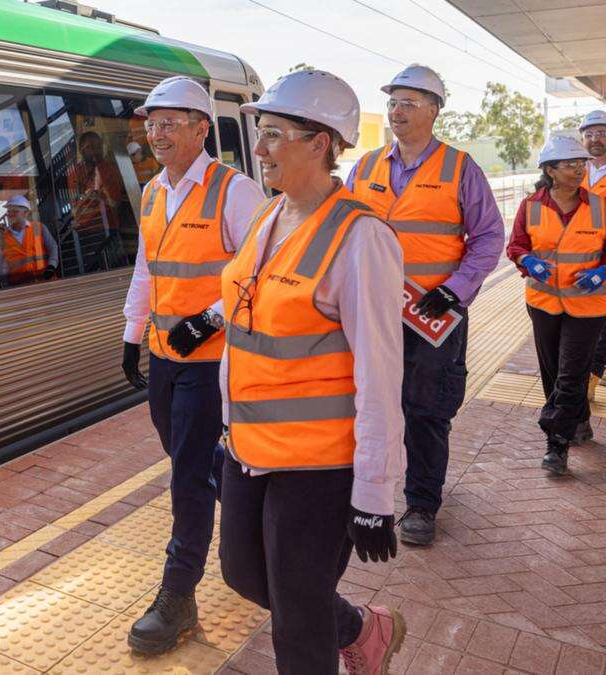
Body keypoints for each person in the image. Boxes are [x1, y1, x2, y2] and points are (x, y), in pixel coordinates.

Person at [220, 69, 406, 674]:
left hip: (320, 466)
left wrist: (376, 494)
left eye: (273, 133)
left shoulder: (361, 239)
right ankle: (359, 627)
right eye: (261, 133)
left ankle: (342, 639)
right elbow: (252, 311)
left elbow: (381, 375)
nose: (260, 148)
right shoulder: (266, 219)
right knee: (244, 575)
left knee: (298, 629)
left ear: (320, 142)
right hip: (247, 448)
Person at [119, 75, 265, 656]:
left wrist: (205, 321)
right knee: (196, 462)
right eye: (151, 123)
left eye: (170, 122)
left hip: (211, 362)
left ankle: (177, 596)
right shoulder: (154, 191)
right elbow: (146, 269)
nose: (156, 132)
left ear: (202, 128)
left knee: (187, 476)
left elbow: (259, 272)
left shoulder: (235, 191)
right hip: (164, 358)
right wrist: (133, 335)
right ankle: (252, 527)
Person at [348, 65, 504, 547]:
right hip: (373, 312)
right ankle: (367, 492)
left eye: (409, 102)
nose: (397, 111)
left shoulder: (461, 168)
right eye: (393, 102)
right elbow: (342, 226)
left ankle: (421, 503)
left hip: (433, 315)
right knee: (369, 403)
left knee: (427, 410)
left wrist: (456, 290)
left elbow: (488, 237)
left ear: (435, 111)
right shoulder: (367, 165)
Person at [505, 136, 606, 476]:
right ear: (550, 170)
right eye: (571, 164)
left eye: (582, 163)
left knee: (571, 373)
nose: (580, 169)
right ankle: (578, 421)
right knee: (552, 374)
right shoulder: (531, 206)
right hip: (543, 303)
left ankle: (556, 444)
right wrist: (528, 261)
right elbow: (516, 245)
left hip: (589, 306)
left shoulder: (600, 206)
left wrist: (601, 272)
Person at [67, 131, 127, 270]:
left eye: (97, 145)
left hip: (109, 228)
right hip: (85, 231)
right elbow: (75, 206)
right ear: (81, 150)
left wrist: (101, 197)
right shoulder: (75, 173)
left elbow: (115, 203)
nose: (94, 150)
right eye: (90, 146)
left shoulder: (110, 169)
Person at [578, 111, 606, 402]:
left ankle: (588, 384)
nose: (595, 139)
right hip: (577, 265)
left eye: (601, 133)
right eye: (590, 134)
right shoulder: (573, 170)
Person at [0, 195, 58, 287]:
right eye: (9, 211)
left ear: (26, 213)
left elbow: (53, 247)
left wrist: (52, 266)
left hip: (46, 282)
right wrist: (6, 287)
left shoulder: (39, 228)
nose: (10, 214)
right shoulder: (2, 237)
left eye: (15, 211)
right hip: (20, 288)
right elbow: (2, 266)